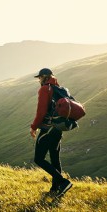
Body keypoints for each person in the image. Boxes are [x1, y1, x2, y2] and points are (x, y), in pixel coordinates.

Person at [30, 68, 73, 197]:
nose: (39, 80)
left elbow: (41, 112)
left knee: (39, 159)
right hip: (58, 128)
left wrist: (34, 127)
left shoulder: (45, 89)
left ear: (44, 77)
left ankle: (63, 182)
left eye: (39, 78)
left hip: (47, 129)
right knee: (55, 159)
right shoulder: (60, 88)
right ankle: (55, 189)